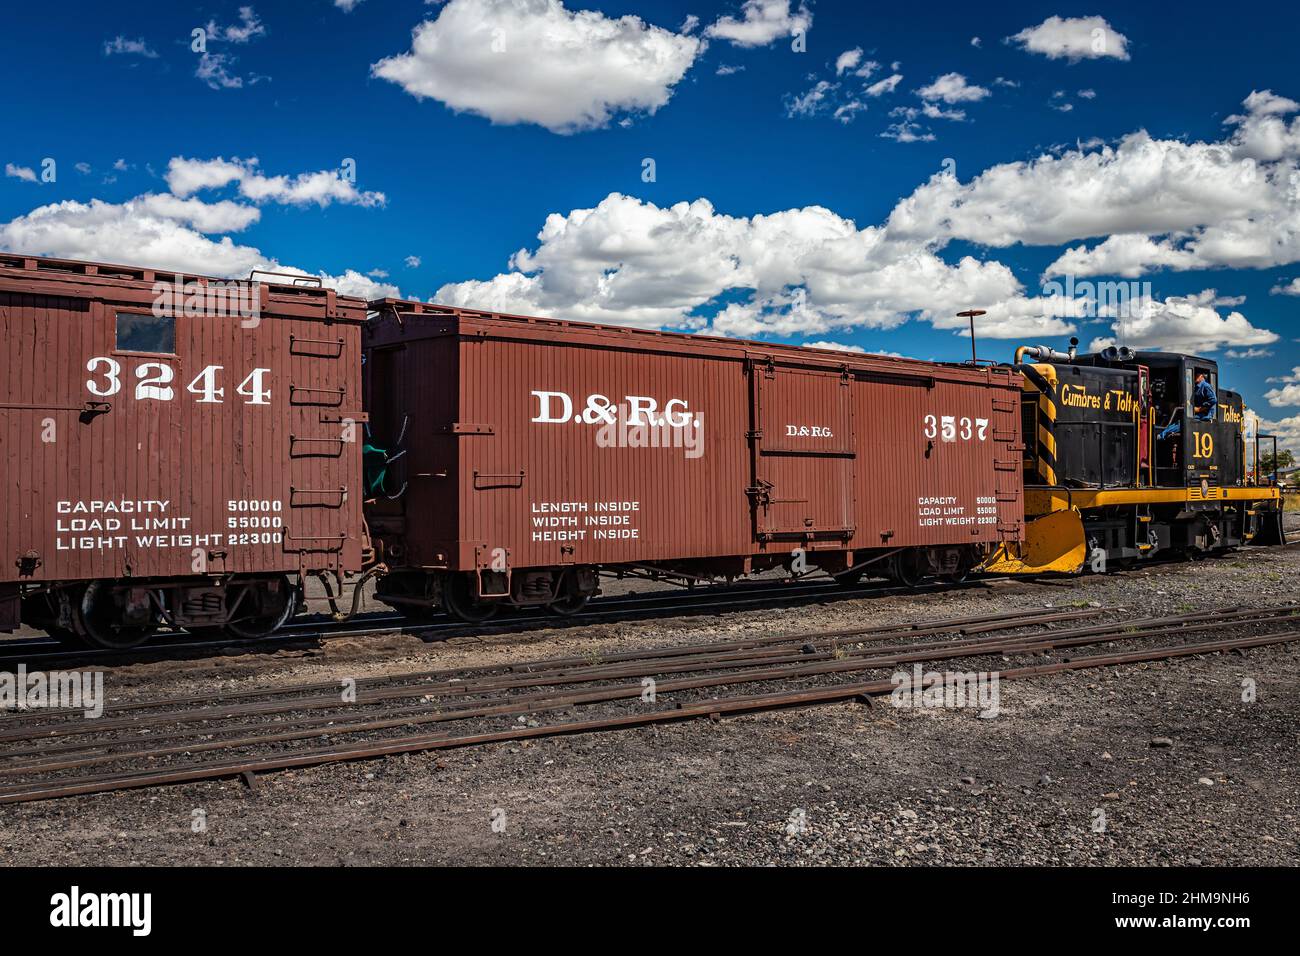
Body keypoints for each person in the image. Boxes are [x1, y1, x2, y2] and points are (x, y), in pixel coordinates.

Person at [1158, 373, 1217, 440]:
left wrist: (1200, 409)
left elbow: (1213, 399)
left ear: (1201, 376)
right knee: (1178, 420)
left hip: (1204, 415)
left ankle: (1162, 435)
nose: (1194, 376)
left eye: (1196, 375)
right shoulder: (1196, 387)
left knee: (1183, 422)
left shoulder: (1205, 386)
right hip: (1198, 413)